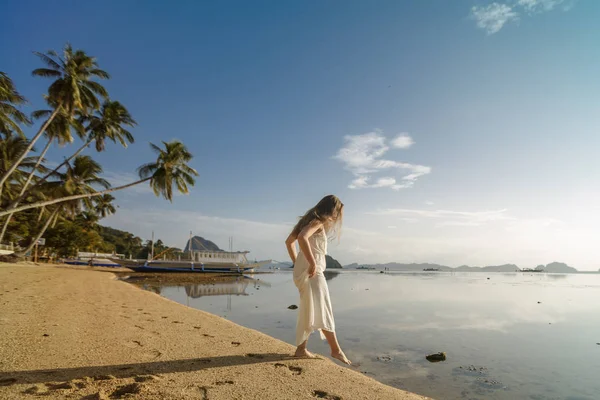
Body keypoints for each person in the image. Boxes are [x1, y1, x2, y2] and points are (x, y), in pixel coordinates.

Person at [285, 194, 351, 365]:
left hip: (304, 271)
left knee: (310, 308)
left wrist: (297, 263)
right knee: (323, 308)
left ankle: (301, 349)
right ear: (332, 209)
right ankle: (336, 350)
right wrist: (312, 263)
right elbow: (301, 238)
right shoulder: (318, 221)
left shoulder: (306, 220)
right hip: (313, 272)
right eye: (337, 212)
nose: (337, 217)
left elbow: (288, 242)